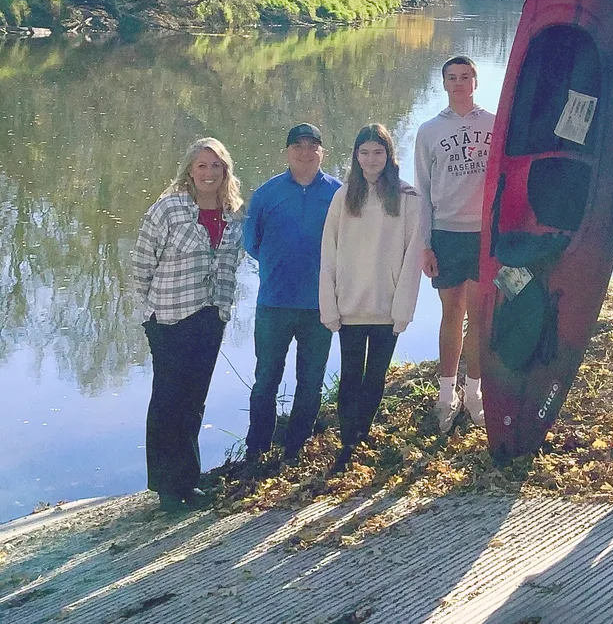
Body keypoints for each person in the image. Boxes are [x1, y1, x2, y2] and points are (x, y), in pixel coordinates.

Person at [132, 137, 244, 512]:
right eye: (202, 166)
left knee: (194, 400)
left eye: (216, 166)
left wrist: (223, 309)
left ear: (225, 170)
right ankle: (165, 487)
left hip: (210, 316)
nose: (209, 173)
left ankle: (188, 481)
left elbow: (230, 265)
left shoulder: (233, 213)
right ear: (190, 170)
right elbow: (142, 265)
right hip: (168, 317)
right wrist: (150, 312)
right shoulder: (168, 209)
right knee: (168, 399)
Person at [321, 124, 424, 473]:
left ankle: (362, 434)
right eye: (364, 152)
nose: (370, 159)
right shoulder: (344, 195)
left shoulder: (407, 197)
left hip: (387, 306)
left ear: (388, 155)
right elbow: (329, 252)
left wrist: (404, 309)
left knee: (375, 376)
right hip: (350, 305)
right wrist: (329, 304)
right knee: (350, 374)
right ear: (355, 156)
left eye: (377, 152)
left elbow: (413, 257)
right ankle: (348, 442)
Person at [243, 123, 342, 467]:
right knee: (266, 379)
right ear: (287, 152)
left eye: (312, 146)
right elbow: (250, 244)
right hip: (274, 304)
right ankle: (256, 450)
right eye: (297, 146)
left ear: (322, 153)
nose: (305, 152)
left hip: (321, 306)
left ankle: (296, 451)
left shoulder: (338, 194)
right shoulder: (267, 194)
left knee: (310, 381)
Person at [414, 56, 494, 432]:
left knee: (479, 316)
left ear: (475, 81)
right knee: (452, 315)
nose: (459, 83)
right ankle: (447, 394)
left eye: (465, 77)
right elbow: (423, 192)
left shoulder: (494, 123)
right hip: (446, 234)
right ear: (444, 83)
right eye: (452, 78)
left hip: (483, 234)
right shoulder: (429, 131)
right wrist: (424, 245)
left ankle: (474, 392)